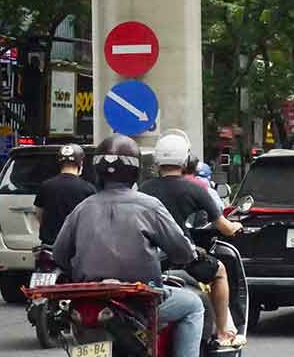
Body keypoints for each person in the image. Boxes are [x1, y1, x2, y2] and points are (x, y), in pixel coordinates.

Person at [52, 134, 205, 357]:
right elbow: (181, 252)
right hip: (140, 303)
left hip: (88, 304)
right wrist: (192, 254)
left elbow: (60, 255)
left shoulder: (82, 209)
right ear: (135, 170)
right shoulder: (149, 206)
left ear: (97, 170)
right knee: (193, 305)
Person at [140, 131, 244, 347]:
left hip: (150, 258)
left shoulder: (144, 189)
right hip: (184, 257)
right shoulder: (195, 189)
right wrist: (236, 226)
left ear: (158, 160)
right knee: (220, 272)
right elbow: (223, 227)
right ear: (185, 160)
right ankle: (223, 332)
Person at [34, 144, 96, 246]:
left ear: (60, 163)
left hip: (49, 246)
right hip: (76, 246)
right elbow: (92, 220)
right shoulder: (88, 189)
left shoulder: (46, 186)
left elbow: (38, 213)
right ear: (80, 163)